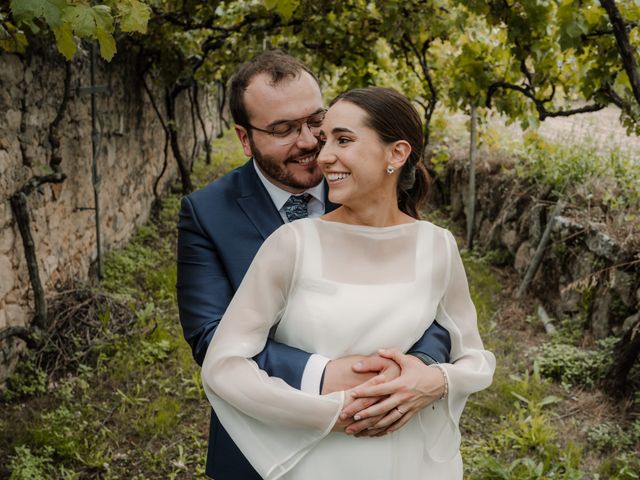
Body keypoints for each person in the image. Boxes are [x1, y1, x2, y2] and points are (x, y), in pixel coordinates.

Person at [177, 51, 452, 479]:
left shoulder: (365, 177)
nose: (309, 142)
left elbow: (425, 288)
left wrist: (415, 369)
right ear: (245, 138)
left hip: (382, 434)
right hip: (265, 439)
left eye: (315, 121)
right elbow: (210, 336)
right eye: (283, 129)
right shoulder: (207, 213)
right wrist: (326, 375)